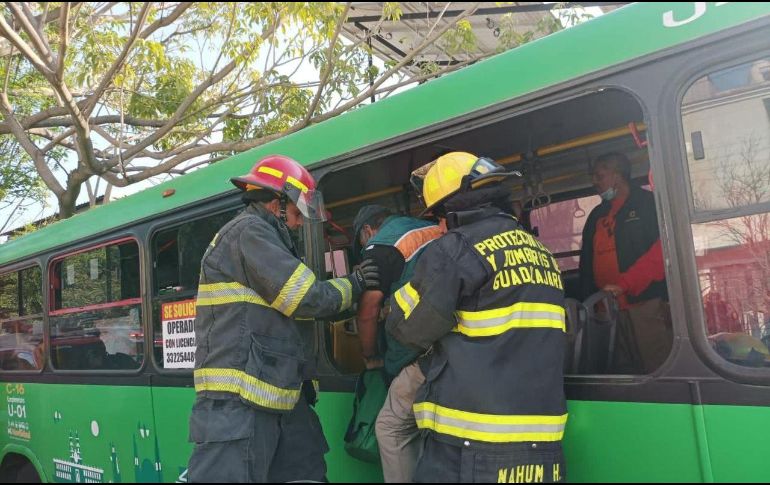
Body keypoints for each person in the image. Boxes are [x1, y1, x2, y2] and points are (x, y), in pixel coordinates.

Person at [187, 155, 379, 483]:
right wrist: (355, 284)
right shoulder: (249, 233)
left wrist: (347, 301)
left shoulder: (268, 239)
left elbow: (295, 311)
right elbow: (305, 298)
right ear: (278, 201)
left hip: (281, 397)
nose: (299, 222)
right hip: (239, 406)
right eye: (295, 212)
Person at [387, 152, 568, 483]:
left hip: (470, 448)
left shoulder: (455, 250)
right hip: (543, 449)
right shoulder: (541, 253)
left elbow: (406, 328)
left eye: (437, 218)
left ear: (451, 212)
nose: (438, 226)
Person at [351, 204, 442, 482]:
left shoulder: (380, 245)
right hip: (457, 342)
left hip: (421, 350)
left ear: (368, 231)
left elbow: (368, 311)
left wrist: (370, 355)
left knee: (390, 428)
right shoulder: (431, 229)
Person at [578, 152, 672, 374]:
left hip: (645, 305)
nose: (595, 182)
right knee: (620, 372)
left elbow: (661, 253)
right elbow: (586, 264)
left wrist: (626, 284)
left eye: (599, 176)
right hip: (606, 311)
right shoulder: (596, 215)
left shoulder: (648, 205)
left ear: (617, 175)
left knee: (655, 367)